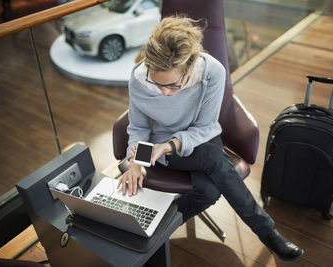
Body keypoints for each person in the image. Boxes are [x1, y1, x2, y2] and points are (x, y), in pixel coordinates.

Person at [118, 15, 303, 261]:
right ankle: (268, 233)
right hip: (158, 149)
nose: (164, 92)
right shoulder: (139, 79)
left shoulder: (212, 72)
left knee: (208, 190)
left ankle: (156, 229)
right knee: (215, 162)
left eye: (173, 85)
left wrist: (171, 145)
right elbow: (139, 129)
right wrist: (136, 164)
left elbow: (206, 127)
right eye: (157, 82)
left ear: (190, 67)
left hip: (199, 138)